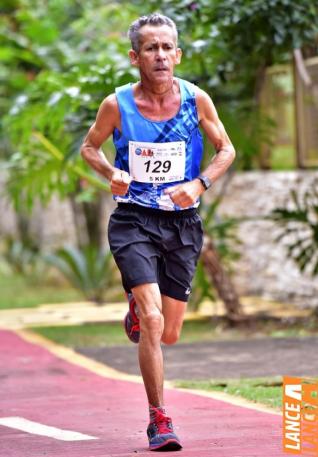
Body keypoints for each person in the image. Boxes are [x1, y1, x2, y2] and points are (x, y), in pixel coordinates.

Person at [81, 12, 235, 452]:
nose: (161, 56)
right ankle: (159, 420)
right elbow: (89, 146)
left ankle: (138, 311)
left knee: (168, 332)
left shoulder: (197, 100)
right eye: (151, 48)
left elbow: (227, 148)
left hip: (182, 222)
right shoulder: (117, 105)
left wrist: (200, 183)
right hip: (133, 219)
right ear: (135, 57)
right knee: (152, 321)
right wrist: (112, 172)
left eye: (168, 47)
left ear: (178, 54)